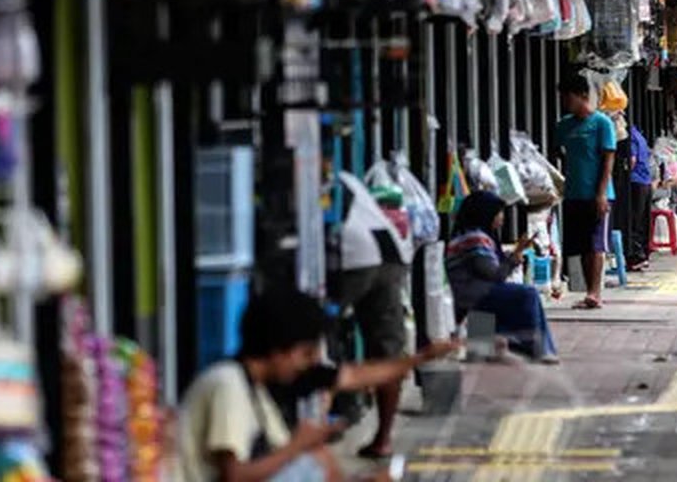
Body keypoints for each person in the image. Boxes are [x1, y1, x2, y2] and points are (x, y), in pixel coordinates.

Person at [178, 287, 455, 481]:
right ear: (279, 349)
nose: (310, 363)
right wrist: (298, 445)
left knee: (318, 458)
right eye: (306, 353)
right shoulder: (228, 385)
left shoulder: (257, 392)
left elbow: (356, 376)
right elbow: (235, 476)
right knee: (313, 459)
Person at [330, 173, 412, 459]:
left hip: (355, 256)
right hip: (390, 254)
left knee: (316, 334)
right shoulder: (347, 178)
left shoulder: (313, 174)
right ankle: (383, 438)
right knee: (387, 348)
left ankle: (317, 427)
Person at [445, 191, 559, 363]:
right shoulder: (475, 239)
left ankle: (486, 345)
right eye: (499, 213)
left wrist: (514, 254)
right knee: (528, 294)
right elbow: (494, 275)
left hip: (470, 293)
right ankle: (534, 346)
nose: (502, 218)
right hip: (471, 296)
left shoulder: (469, 235)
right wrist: (513, 260)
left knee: (516, 293)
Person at [554, 73, 617, 310]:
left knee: (596, 245)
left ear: (583, 96)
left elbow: (608, 159)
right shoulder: (564, 125)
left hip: (598, 194)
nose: (566, 103)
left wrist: (601, 193)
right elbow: (557, 151)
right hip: (573, 193)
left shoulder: (602, 123)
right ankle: (589, 293)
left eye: (568, 98)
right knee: (581, 245)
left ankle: (595, 292)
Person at [628, 124, 654, 272]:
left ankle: (637, 256)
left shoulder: (630, 137)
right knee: (643, 220)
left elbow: (632, 160)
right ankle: (644, 255)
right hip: (645, 182)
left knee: (634, 220)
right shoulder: (640, 136)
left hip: (635, 181)